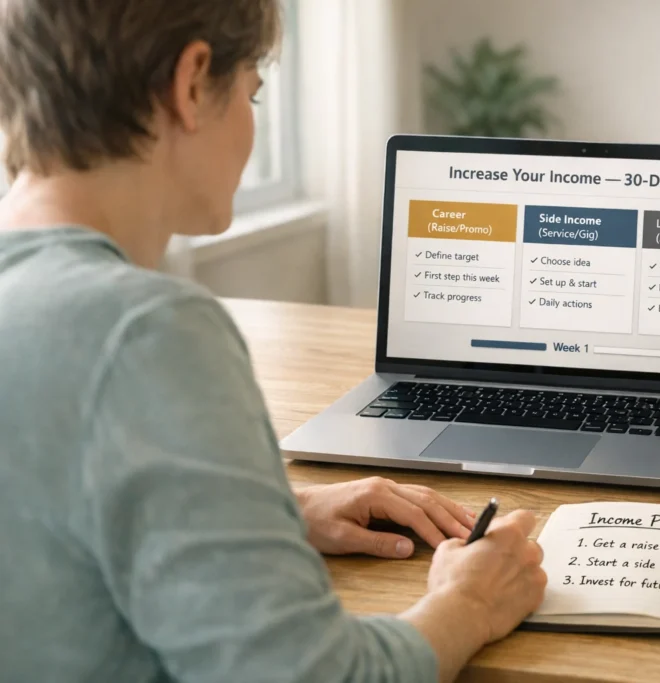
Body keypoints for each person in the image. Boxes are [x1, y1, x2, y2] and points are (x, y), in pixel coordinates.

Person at [0, 1, 546, 682]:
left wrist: (270, 511)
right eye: (252, 93)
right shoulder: (144, 334)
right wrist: (468, 600)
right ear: (193, 82)